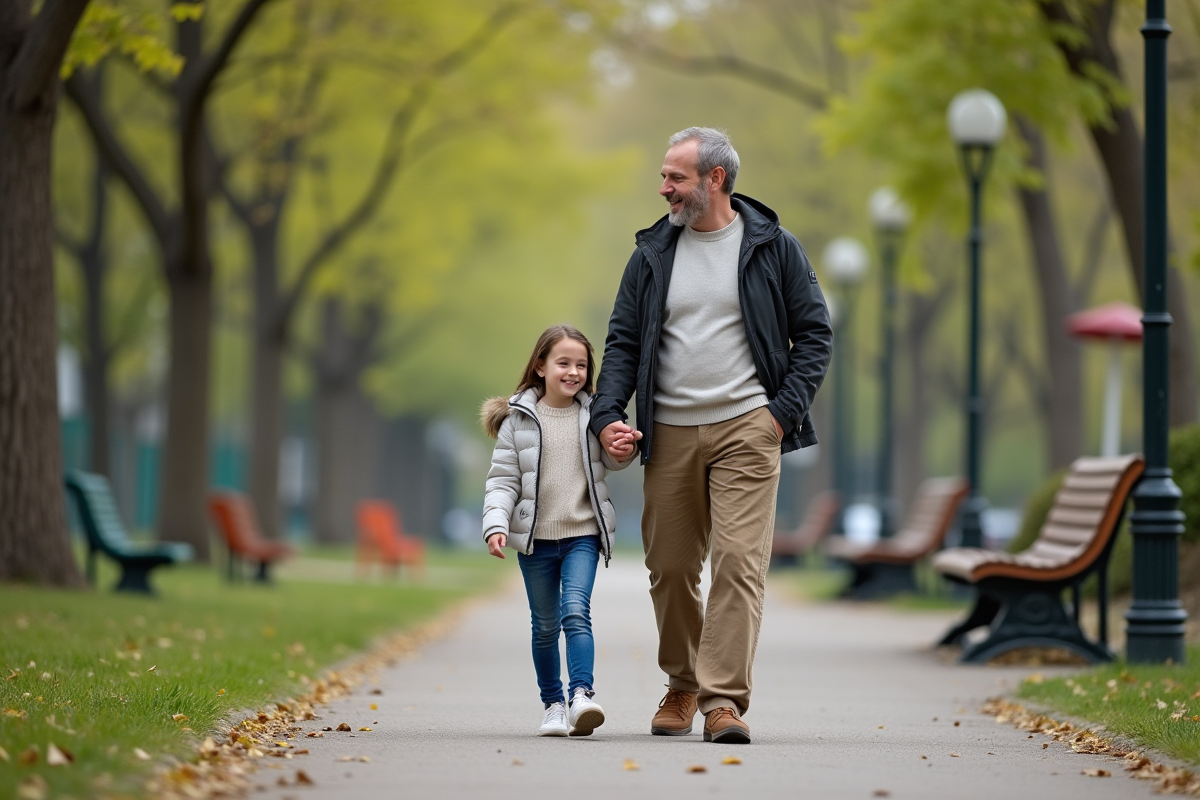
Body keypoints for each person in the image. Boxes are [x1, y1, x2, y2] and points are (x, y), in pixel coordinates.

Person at [590, 127, 833, 745]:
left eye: (675, 176)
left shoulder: (775, 248)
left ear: (715, 179)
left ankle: (723, 701)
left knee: (738, 563)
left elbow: (815, 336)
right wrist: (607, 415)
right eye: (665, 175)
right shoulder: (651, 253)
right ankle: (684, 681)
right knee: (670, 567)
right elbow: (622, 341)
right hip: (668, 430)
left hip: (748, 426)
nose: (663, 186)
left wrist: (779, 414)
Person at [481, 323, 636, 737]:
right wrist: (496, 525)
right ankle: (553, 704)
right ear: (540, 366)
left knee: (575, 612)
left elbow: (615, 459)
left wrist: (624, 444)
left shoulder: (595, 413)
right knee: (544, 624)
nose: (573, 372)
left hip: (582, 534)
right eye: (563, 363)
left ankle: (581, 695)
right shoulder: (518, 420)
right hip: (535, 543)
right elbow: (502, 481)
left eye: (582, 365)